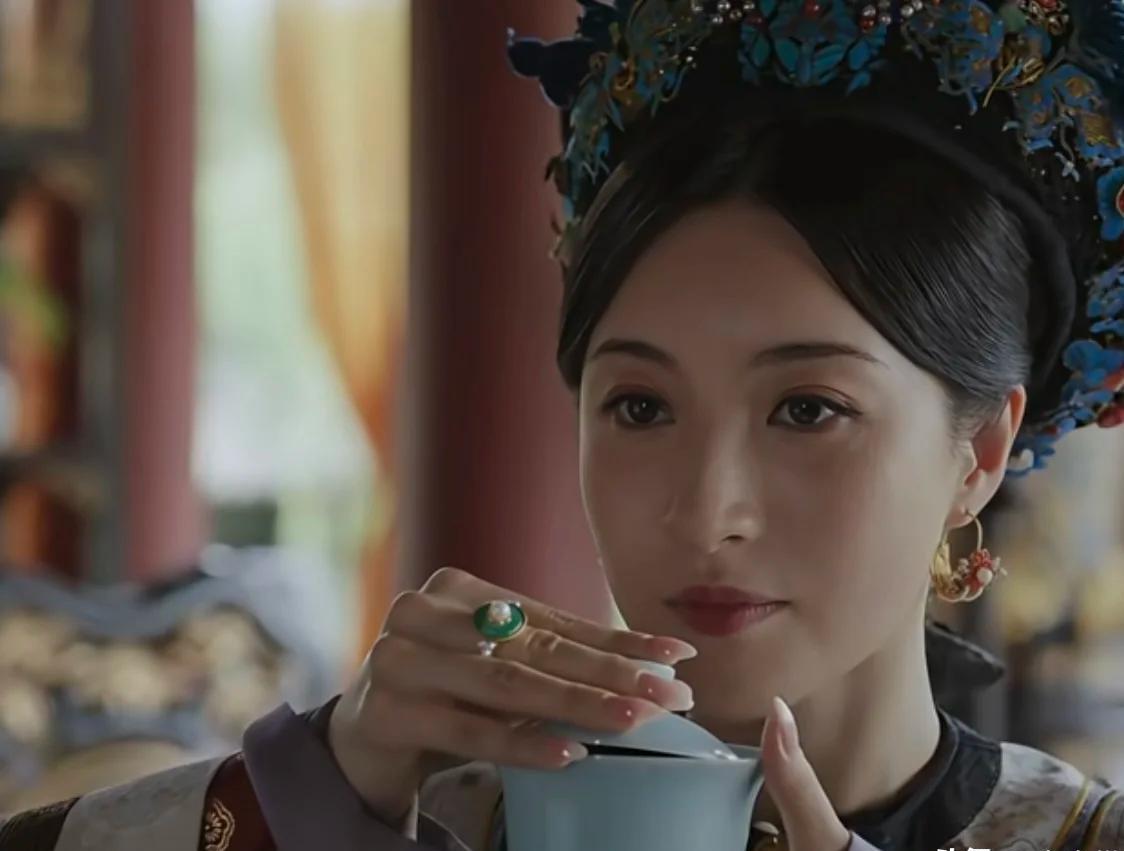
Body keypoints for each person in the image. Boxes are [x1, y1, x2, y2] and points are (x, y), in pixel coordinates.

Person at [5, 0, 1124, 848]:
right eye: (639, 404)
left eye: (807, 408)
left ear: (978, 453)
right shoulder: (416, 816)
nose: (707, 511)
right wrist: (322, 786)